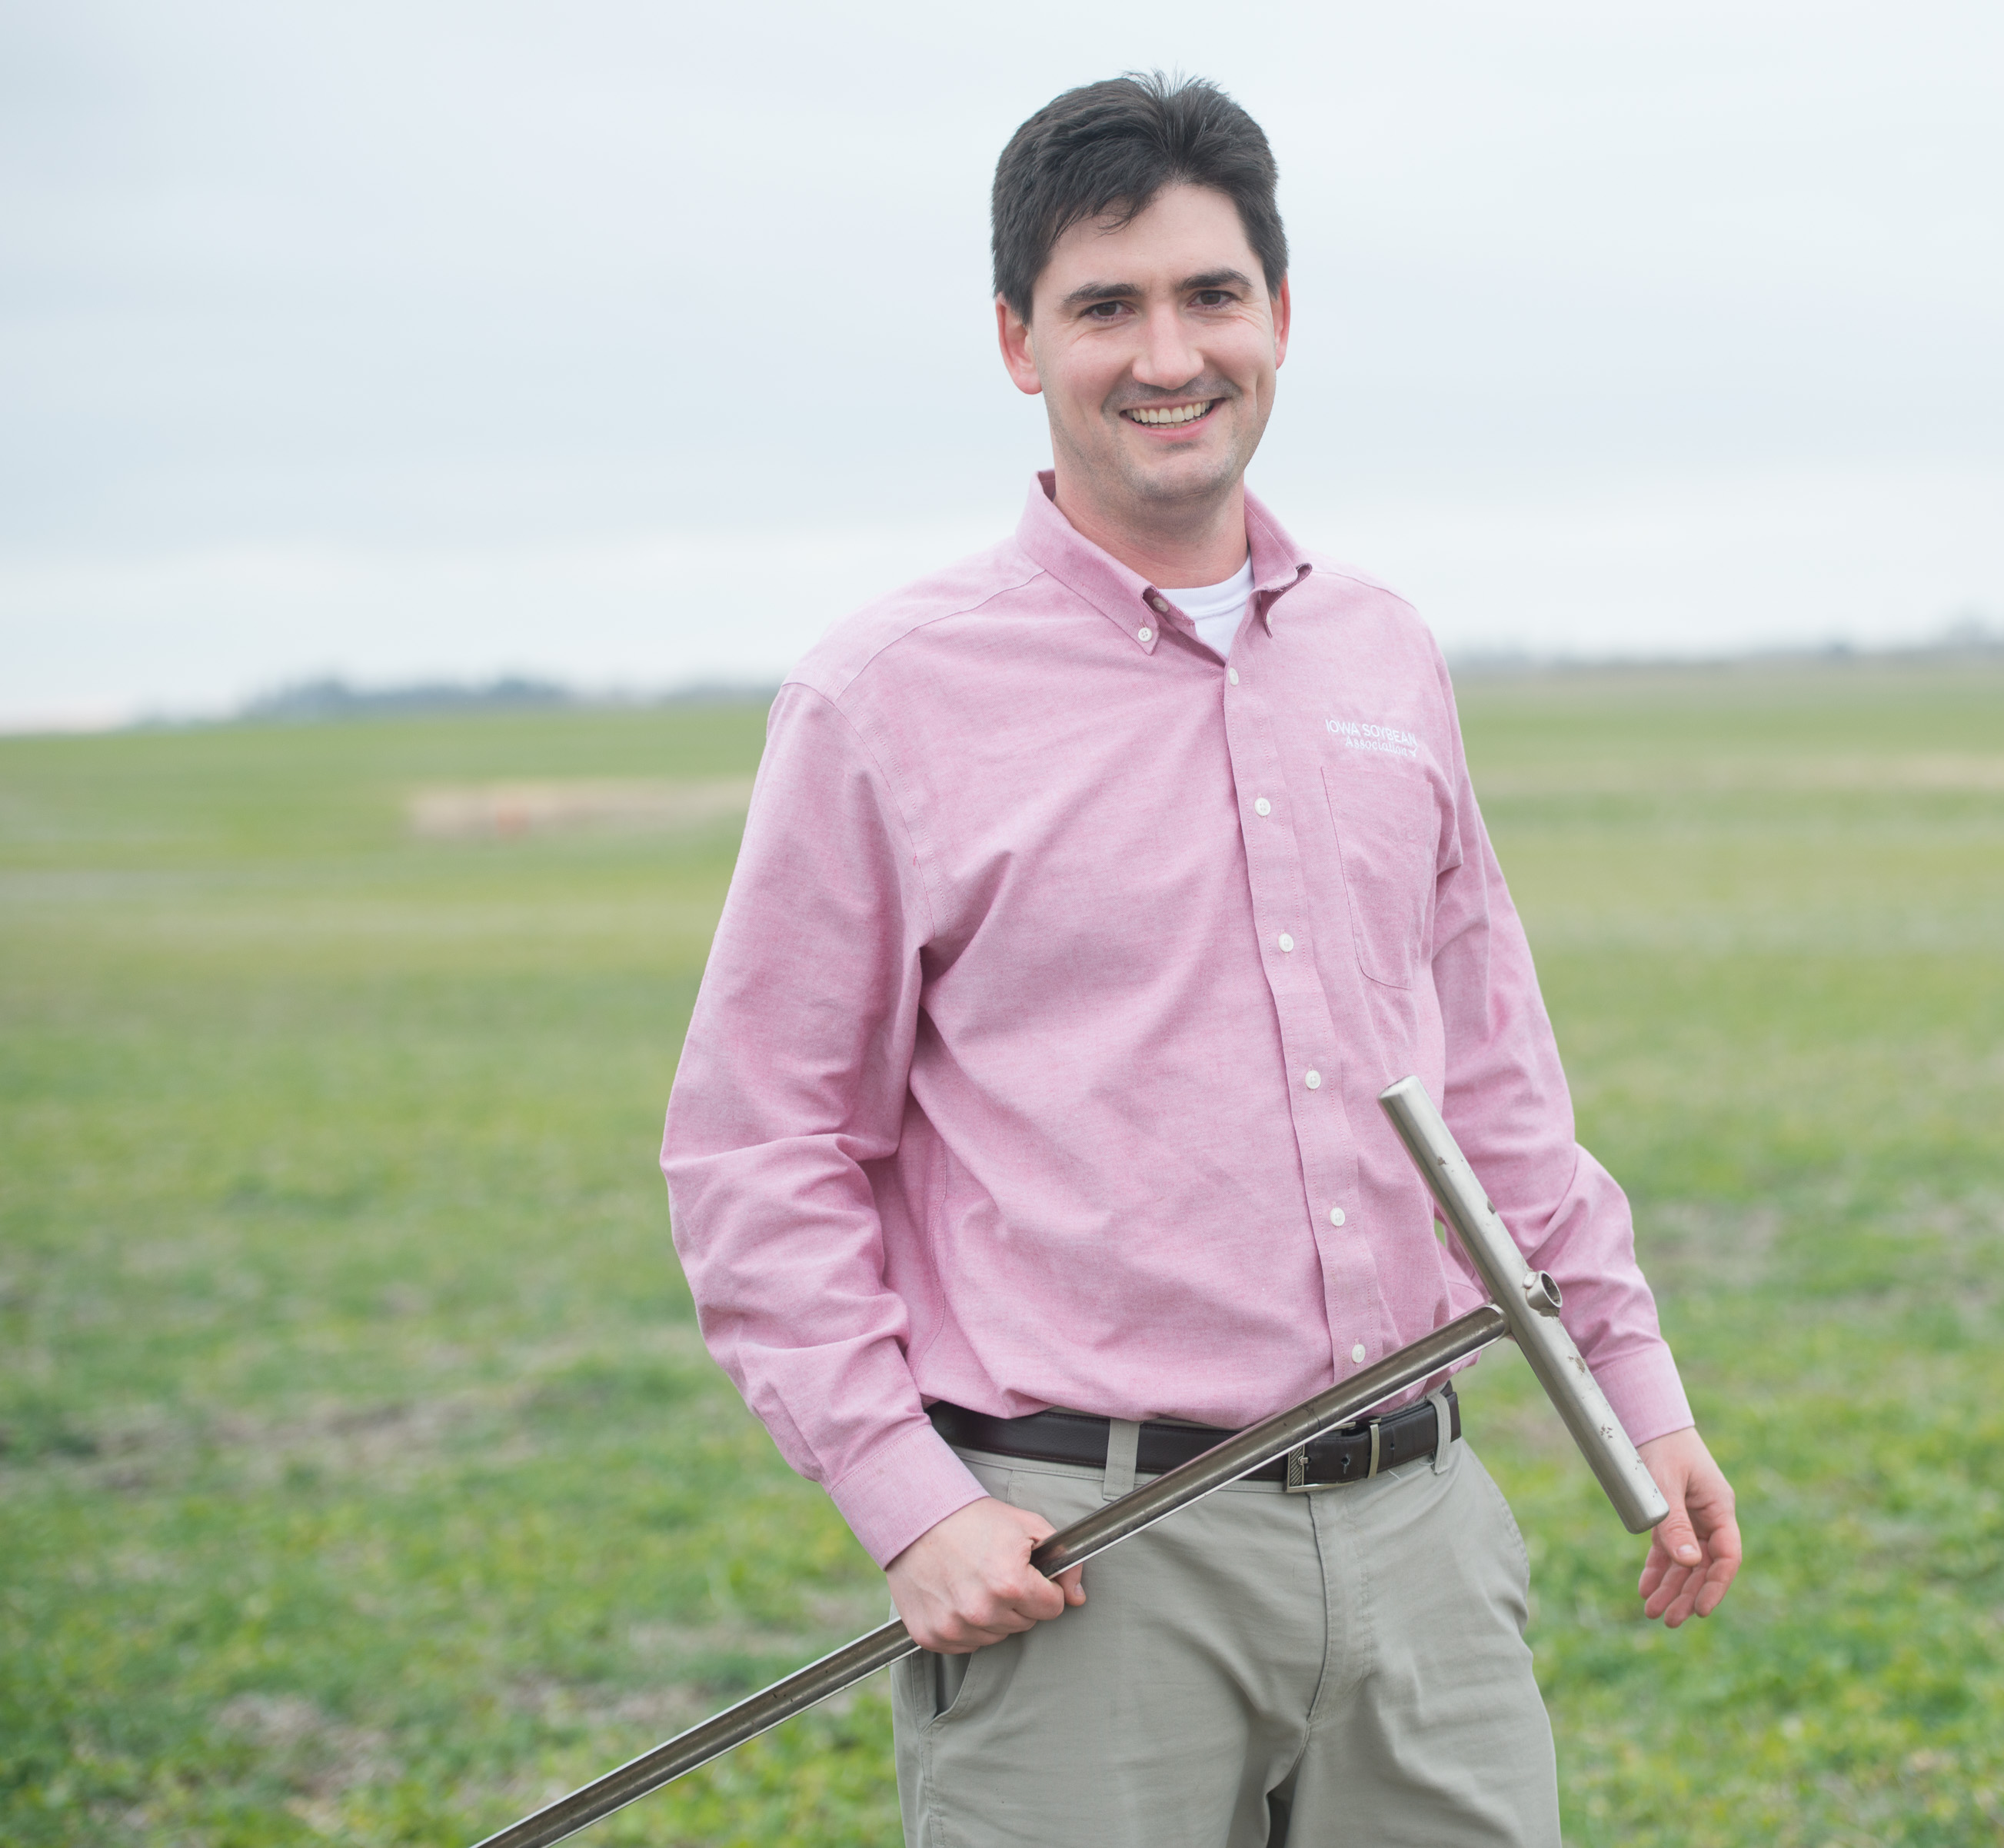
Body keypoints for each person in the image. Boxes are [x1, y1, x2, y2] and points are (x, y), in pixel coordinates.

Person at [661, 72, 1739, 1846]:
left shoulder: (1388, 656)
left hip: (1426, 1538)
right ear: (1019, 342)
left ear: (1282, 318)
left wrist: (1638, 1391)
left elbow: (1494, 1077)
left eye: (1209, 295)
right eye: (1105, 306)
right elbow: (761, 1143)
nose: (1169, 353)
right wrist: (905, 1498)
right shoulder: (884, 697)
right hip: (1083, 1567)